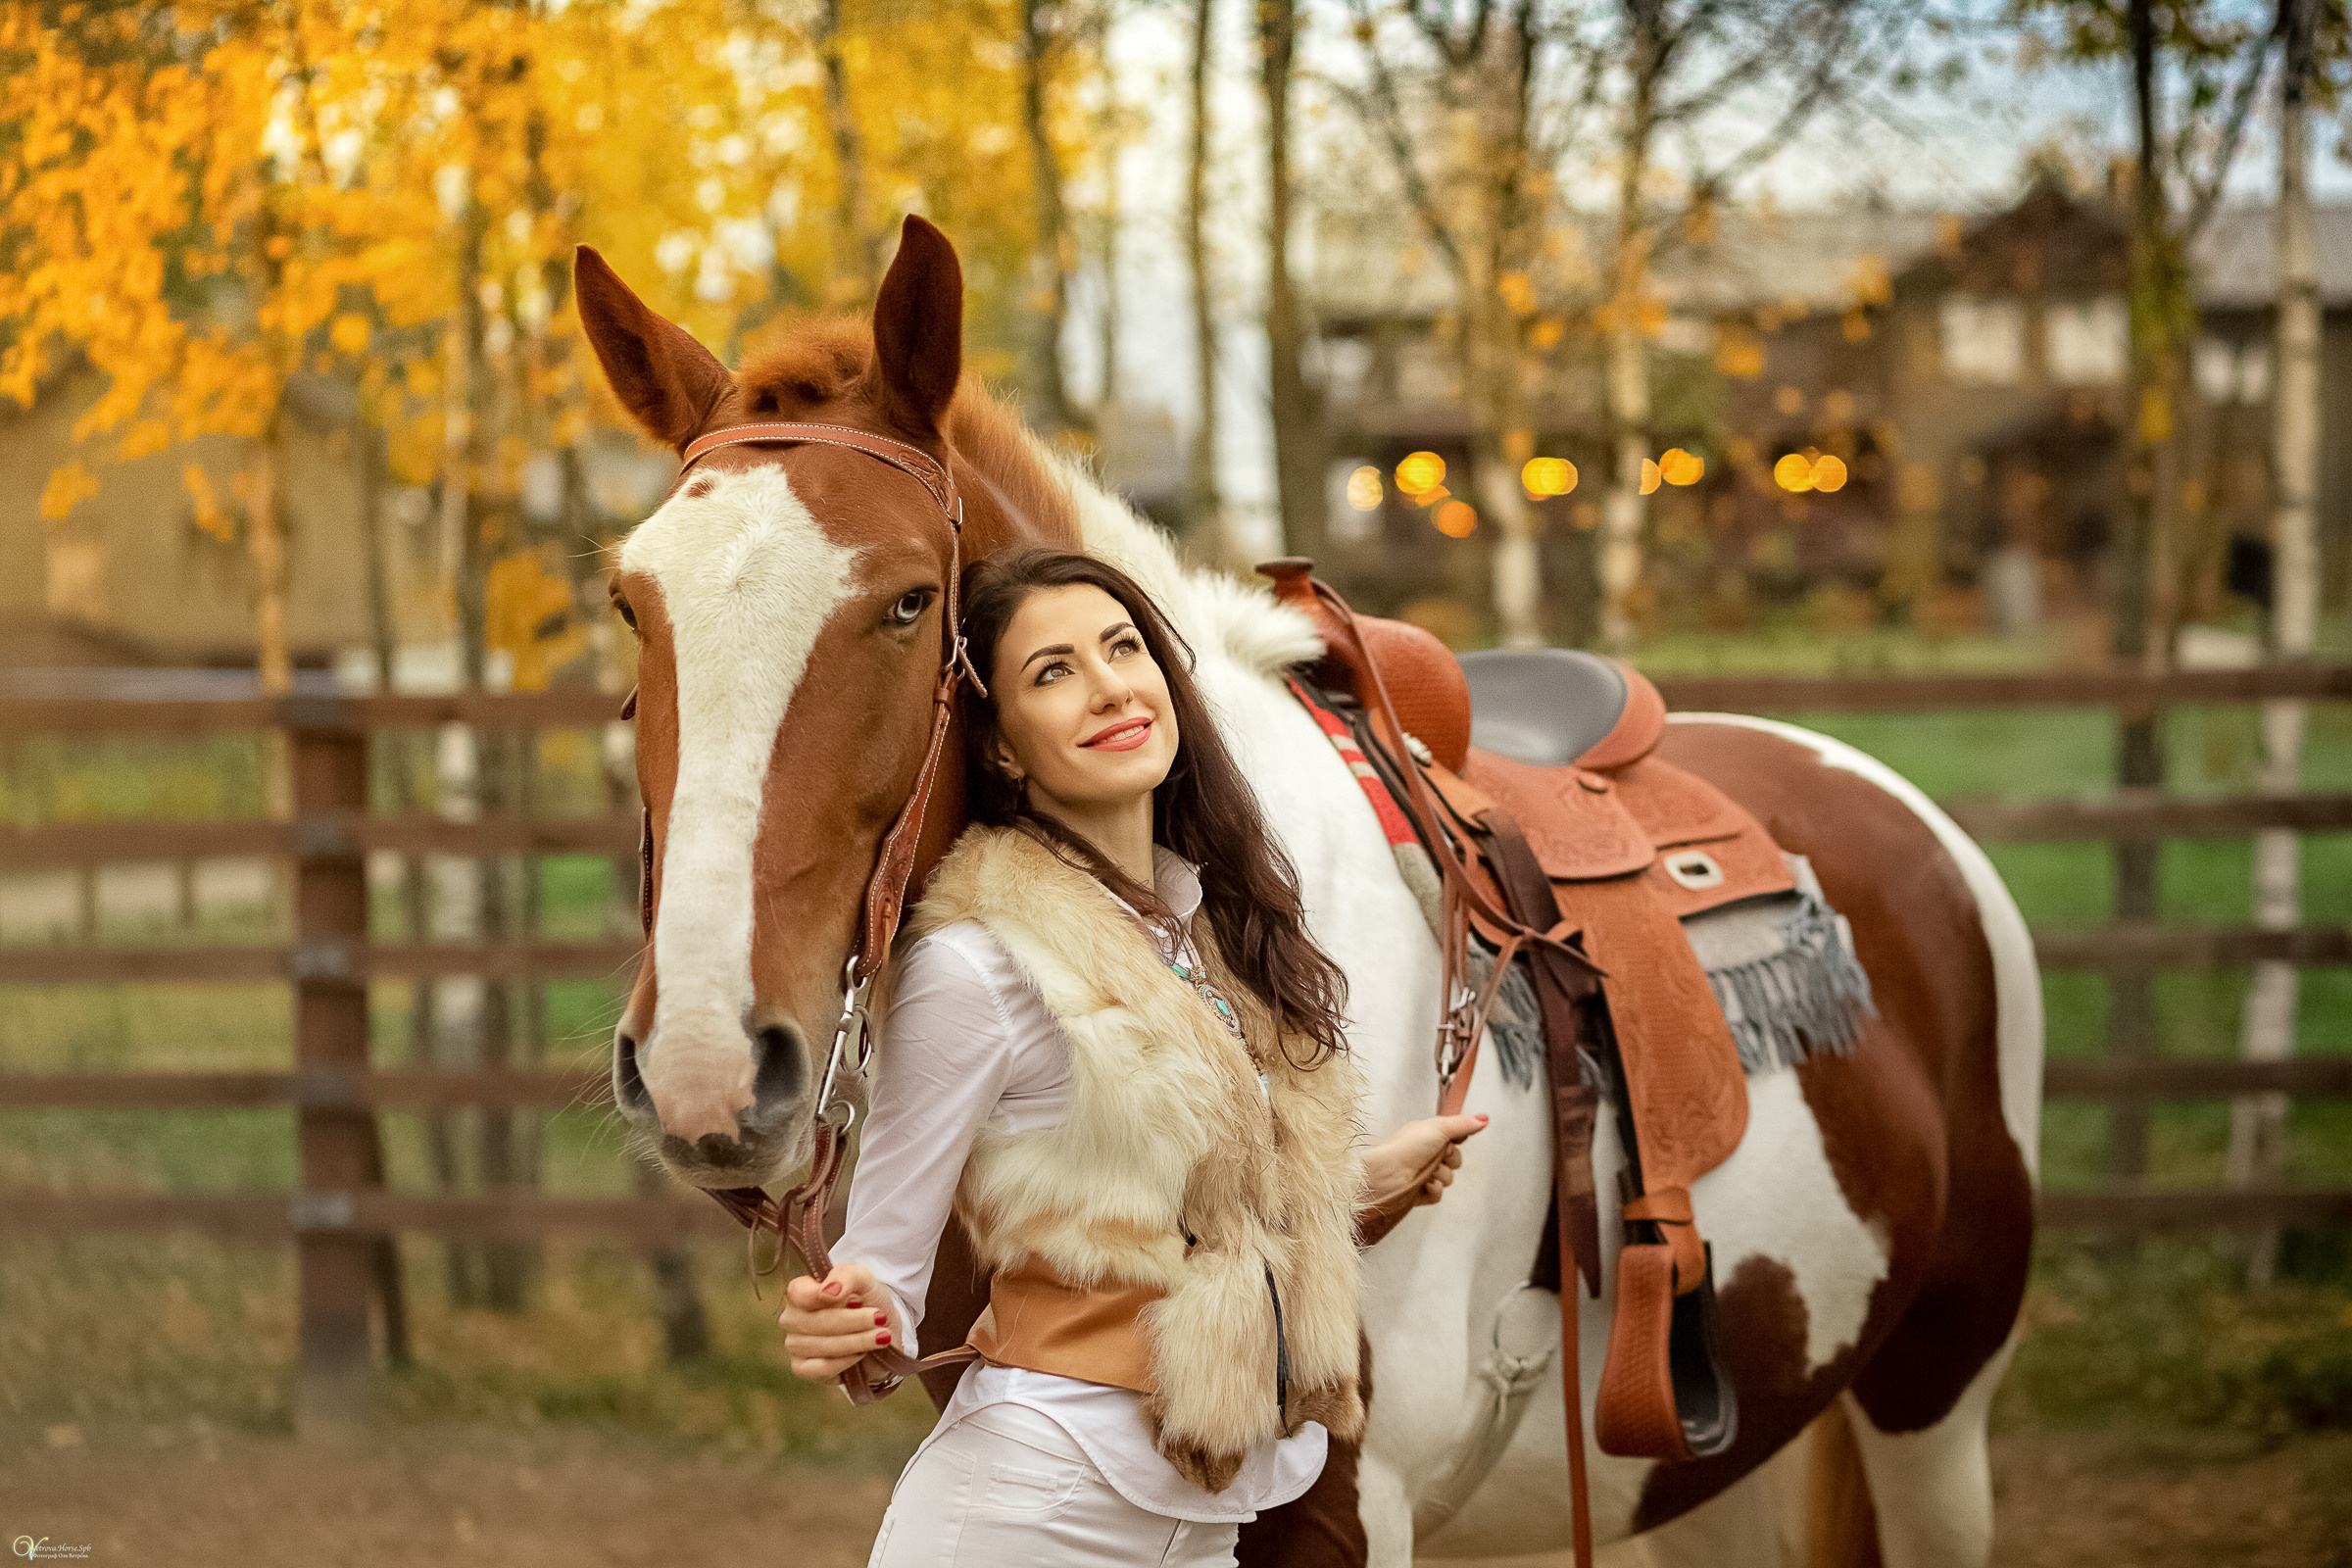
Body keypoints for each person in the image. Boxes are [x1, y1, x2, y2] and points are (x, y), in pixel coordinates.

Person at [781, 548, 1486, 1566]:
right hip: (1031, 1505)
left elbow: (1199, 1217)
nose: (1109, 683)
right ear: (1006, 748)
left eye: (1122, 648)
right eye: (1052, 671)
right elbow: (881, 1269)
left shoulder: (1204, 935)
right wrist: (842, 1322)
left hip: (1200, 1516)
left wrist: (1369, 1179)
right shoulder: (976, 965)